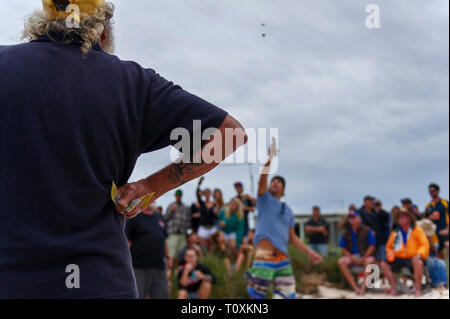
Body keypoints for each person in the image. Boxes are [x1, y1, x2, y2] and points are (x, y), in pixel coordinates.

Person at [0, 0, 247, 298]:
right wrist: (152, 186)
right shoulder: (134, 83)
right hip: (99, 282)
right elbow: (229, 135)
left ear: (41, 21)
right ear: (102, 31)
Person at [246, 143, 322, 299]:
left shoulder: (288, 210)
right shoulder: (264, 200)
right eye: (273, 181)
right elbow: (262, 179)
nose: (275, 183)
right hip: (265, 254)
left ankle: (252, 279)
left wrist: (310, 252)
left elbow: (292, 238)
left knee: (287, 295)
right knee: (257, 295)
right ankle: (252, 279)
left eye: (279, 181)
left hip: (283, 257)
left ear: (283, 189)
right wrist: (270, 159)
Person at [381, 207, 429, 297]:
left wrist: (419, 254)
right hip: (399, 257)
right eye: (399, 217)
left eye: (403, 216)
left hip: (413, 257)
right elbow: (389, 247)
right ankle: (394, 289)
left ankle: (418, 290)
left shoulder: (417, 230)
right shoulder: (395, 232)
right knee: (384, 263)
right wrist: (390, 253)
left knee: (418, 262)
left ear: (409, 218)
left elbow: (424, 244)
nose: (401, 219)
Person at [125, 207, 171, 299]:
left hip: (159, 268)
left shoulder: (159, 217)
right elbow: (126, 240)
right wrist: (125, 261)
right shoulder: (135, 216)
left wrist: (168, 257)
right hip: (139, 268)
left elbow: (163, 239)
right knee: (138, 296)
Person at [338, 211, 377, 296]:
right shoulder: (346, 232)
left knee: (369, 261)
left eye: (354, 217)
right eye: (351, 218)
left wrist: (364, 257)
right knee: (341, 261)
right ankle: (355, 288)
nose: (352, 219)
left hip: (365, 256)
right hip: (352, 257)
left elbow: (372, 246)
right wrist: (351, 257)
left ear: (359, 219)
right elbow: (343, 248)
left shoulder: (367, 230)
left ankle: (363, 289)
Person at [417, 219, 448, 289]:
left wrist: (429, 243)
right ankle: (435, 283)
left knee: (441, 262)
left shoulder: (433, 237)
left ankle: (443, 283)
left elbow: (434, 252)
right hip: (419, 257)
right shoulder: (416, 234)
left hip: (429, 256)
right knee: (430, 261)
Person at [164, 190, 192, 261]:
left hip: (182, 234)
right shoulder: (170, 206)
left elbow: (188, 221)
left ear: (181, 196)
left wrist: (187, 233)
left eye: (179, 195)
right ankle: (170, 271)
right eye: (177, 195)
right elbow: (165, 218)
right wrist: (171, 210)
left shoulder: (186, 207)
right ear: (175, 196)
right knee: (170, 255)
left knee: (181, 255)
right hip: (172, 233)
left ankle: (176, 271)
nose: (178, 197)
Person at [424, 183, 449, 259]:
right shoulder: (428, 206)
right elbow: (425, 220)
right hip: (434, 233)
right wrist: (430, 218)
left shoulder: (444, 203)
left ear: (438, 191)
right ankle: (443, 269)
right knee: (439, 252)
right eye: (430, 191)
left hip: (444, 230)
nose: (431, 193)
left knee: (448, 245)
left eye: (433, 191)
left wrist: (447, 229)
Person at [196, 178, 219, 249]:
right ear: (204, 194)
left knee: (212, 245)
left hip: (212, 227)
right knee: (202, 246)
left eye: (208, 193)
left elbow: (216, 216)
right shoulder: (202, 203)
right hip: (203, 227)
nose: (207, 194)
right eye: (206, 193)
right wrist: (199, 184)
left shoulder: (214, 204)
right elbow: (197, 193)